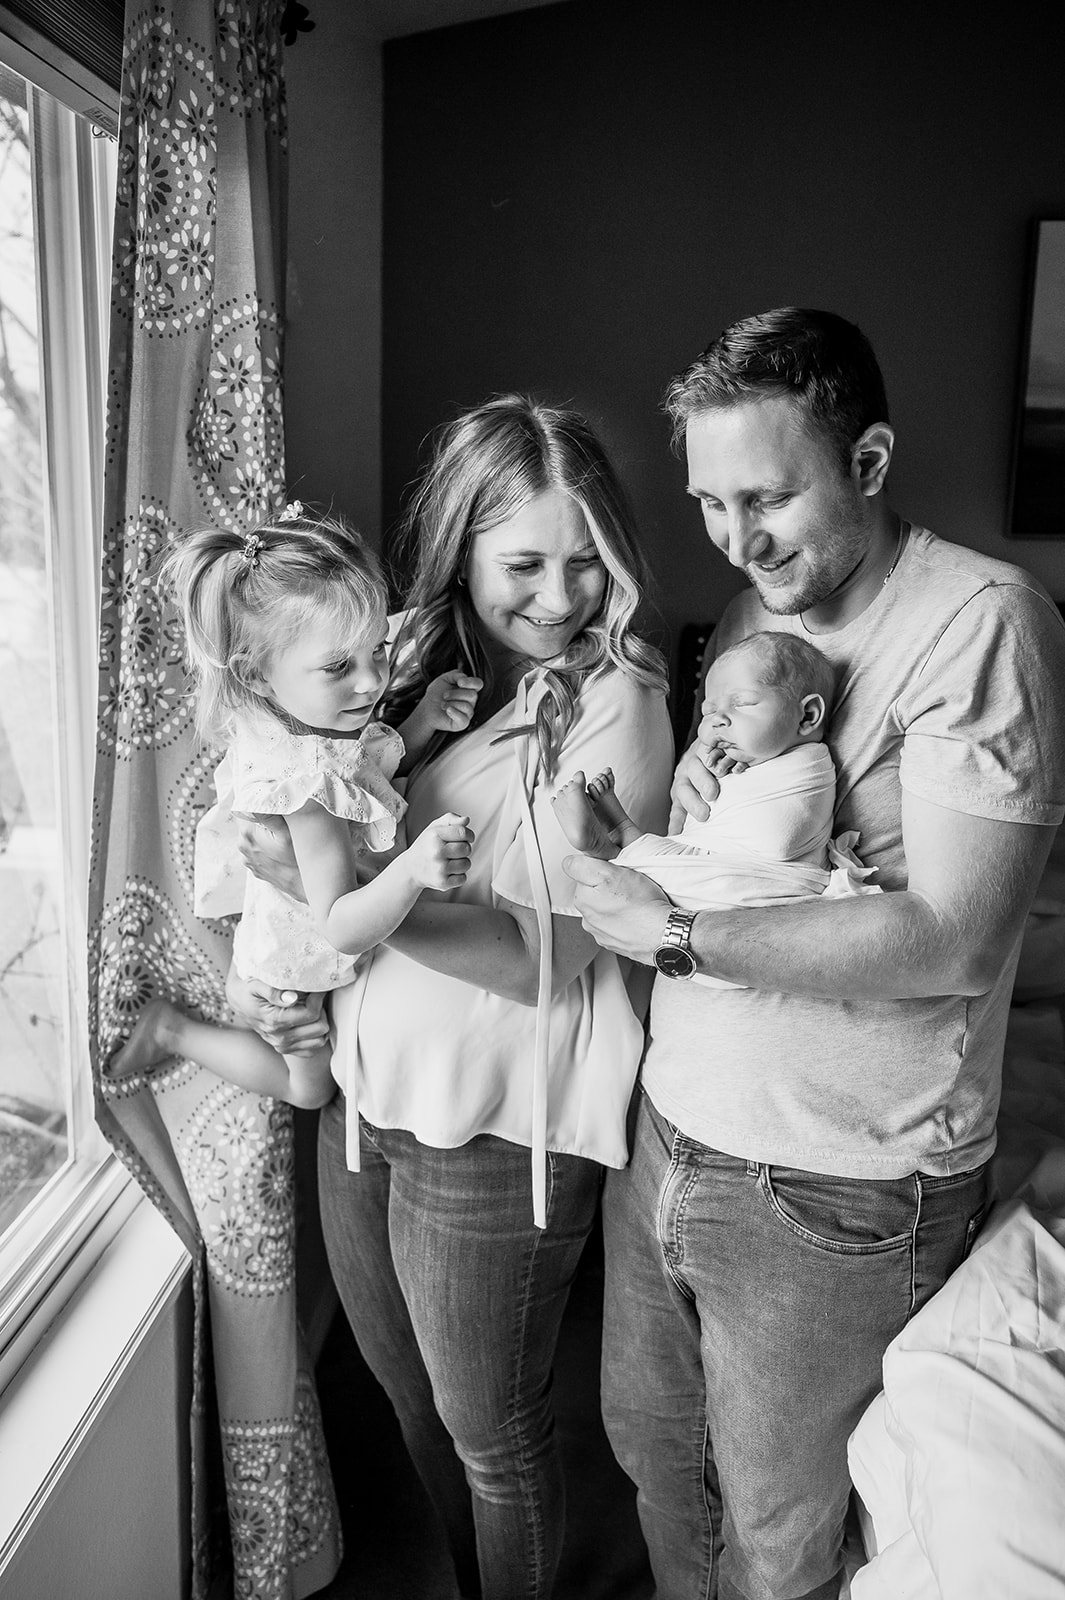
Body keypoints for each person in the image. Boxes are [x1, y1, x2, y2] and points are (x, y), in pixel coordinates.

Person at [562, 308, 1065, 1600]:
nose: (737, 539)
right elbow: (735, 822)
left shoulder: (981, 625)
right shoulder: (755, 615)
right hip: (674, 1130)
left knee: (781, 1541)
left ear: (871, 462)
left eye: (767, 498)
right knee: (657, 1458)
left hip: (841, 1185)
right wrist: (669, 812)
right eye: (710, 503)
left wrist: (677, 934)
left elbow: (955, 937)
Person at [225, 395, 675, 1600]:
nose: (559, 597)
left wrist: (351, 899)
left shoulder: (618, 704)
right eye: (522, 564)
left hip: (495, 1134)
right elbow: (290, 824)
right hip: (364, 1101)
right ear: (462, 550)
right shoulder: (391, 668)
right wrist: (290, 974)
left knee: (494, 1436)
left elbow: (548, 954)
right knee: (409, 1402)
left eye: (586, 561)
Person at [108, 505, 477, 1107]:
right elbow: (342, 925)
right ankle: (170, 1030)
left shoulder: (288, 711)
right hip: (290, 968)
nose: (372, 681)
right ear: (257, 674)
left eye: (378, 650)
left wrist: (423, 718)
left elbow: (361, 772)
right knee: (308, 1091)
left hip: (275, 927)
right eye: (339, 667)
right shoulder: (308, 792)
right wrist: (413, 870)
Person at [551, 629, 878, 989]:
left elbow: (778, 839)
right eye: (710, 710)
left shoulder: (809, 765)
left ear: (808, 716)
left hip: (755, 908)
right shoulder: (738, 753)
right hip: (695, 947)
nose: (717, 720)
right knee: (671, 863)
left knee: (671, 874)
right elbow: (697, 823)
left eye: (743, 704)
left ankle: (610, 845)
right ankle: (619, 835)